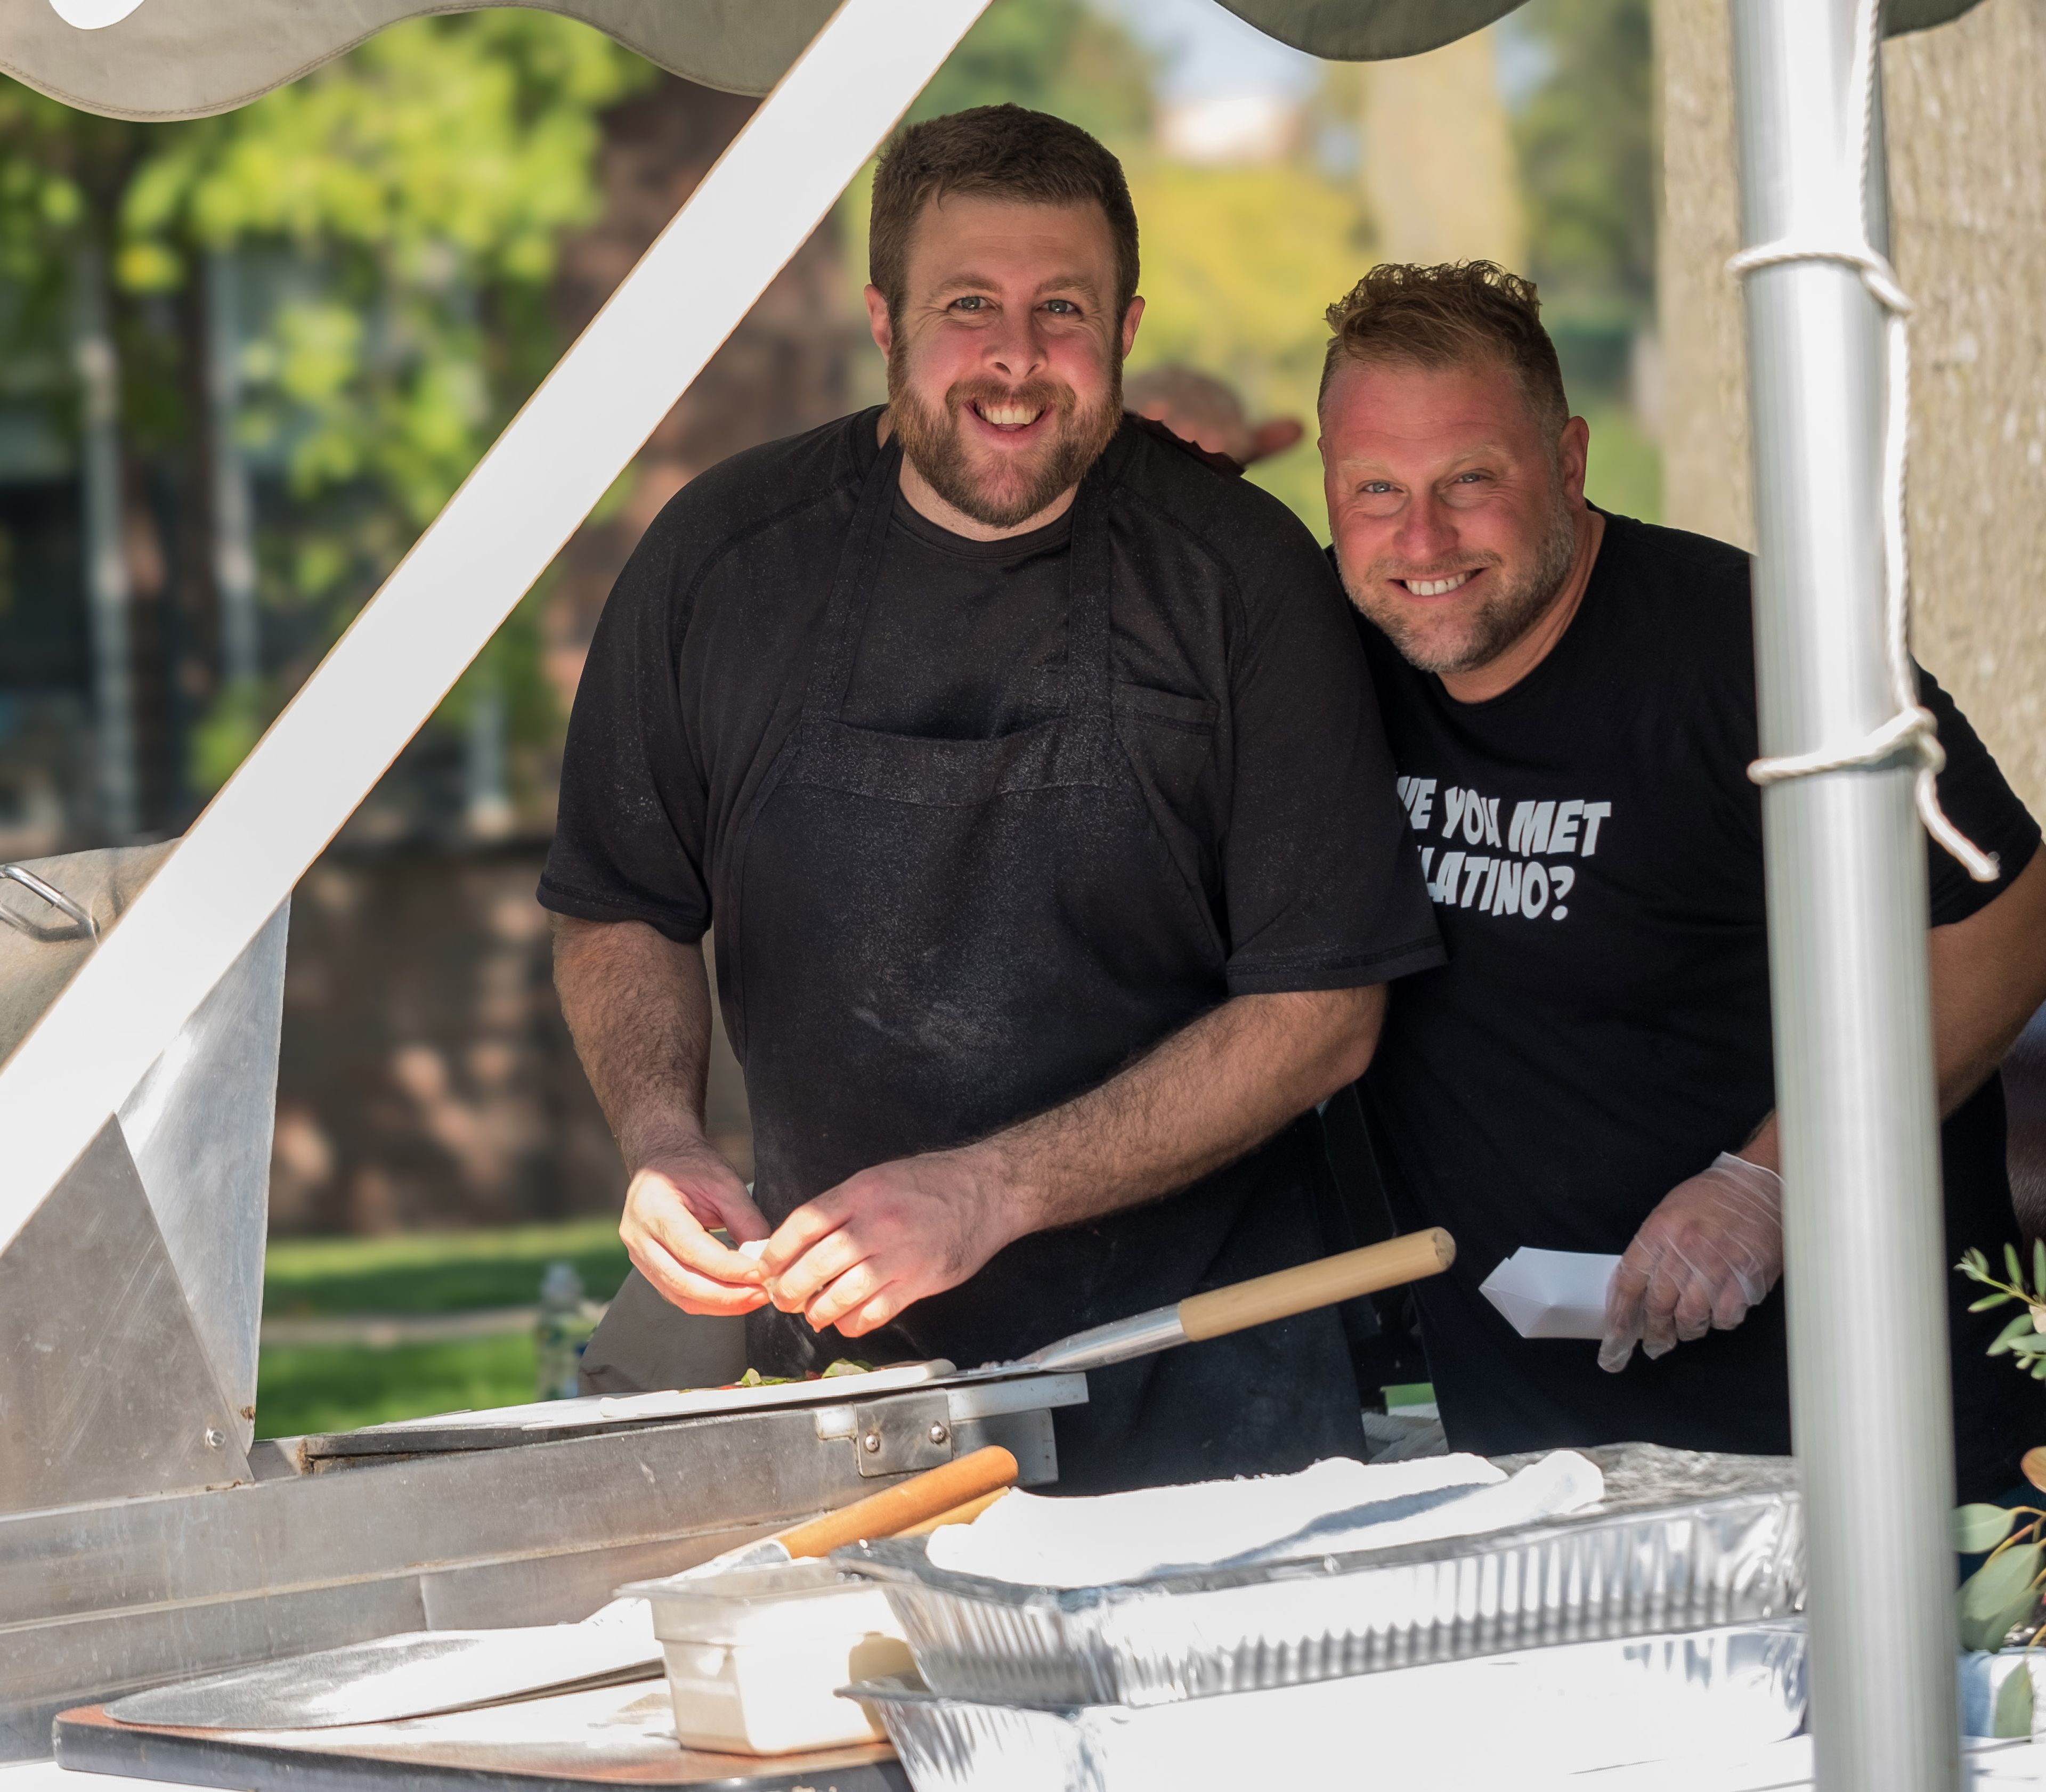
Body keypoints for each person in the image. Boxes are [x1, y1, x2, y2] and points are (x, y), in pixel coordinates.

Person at [538, 105, 1443, 1495]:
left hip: (1203, 1389)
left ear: (1126, 325)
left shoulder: (1241, 578)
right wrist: (662, 1135)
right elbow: (619, 906)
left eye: (1061, 309)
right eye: (970, 307)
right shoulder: (725, 561)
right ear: (885, 319)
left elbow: (1321, 1013)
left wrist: (990, 1190)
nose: (1016, 360)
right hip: (849, 1395)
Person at [1314, 260, 2046, 1501]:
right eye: (1375, 490)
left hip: (1865, 1451)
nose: (1421, 539)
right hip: (1542, 1464)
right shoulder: (1332, 665)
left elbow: (2013, 923)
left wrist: (1771, 1178)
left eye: (1471, 481)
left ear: (1572, 460)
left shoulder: (1760, 645)